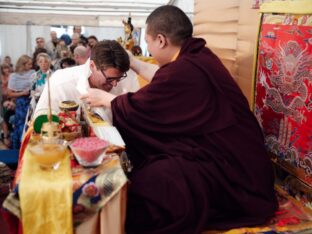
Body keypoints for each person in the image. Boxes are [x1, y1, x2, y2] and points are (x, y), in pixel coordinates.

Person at [81, 5, 277, 234]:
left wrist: (108, 99)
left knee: (156, 182)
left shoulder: (187, 68)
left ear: (161, 40)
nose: (150, 49)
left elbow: (147, 104)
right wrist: (132, 62)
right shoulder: (198, 56)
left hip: (236, 173)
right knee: (156, 168)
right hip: (233, 155)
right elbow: (163, 79)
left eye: (149, 42)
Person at [35, 40, 140, 122]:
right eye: (110, 79)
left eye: (119, 78)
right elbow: (39, 123)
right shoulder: (60, 83)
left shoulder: (128, 79)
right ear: (92, 65)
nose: (115, 84)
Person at [8, 55, 34, 149]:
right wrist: (23, 93)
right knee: (21, 125)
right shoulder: (14, 76)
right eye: (29, 64)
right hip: (21, 102)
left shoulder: (33, 73)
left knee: (31, 124)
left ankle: (29, 147)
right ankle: (19, 147)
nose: (31, 66)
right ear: (22, 65)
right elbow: (10, 94)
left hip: (32, 101)